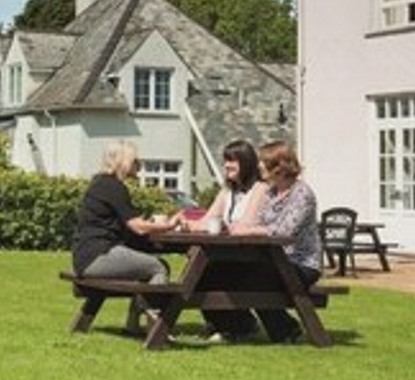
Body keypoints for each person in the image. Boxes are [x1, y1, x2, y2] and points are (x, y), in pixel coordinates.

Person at [179, 139, 268, 342]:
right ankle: (233, 324)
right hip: (227, 252)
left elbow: (247, 223)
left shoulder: (260, 189)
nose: (227, 165)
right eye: (225, 161)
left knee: (204, 273)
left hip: (253, 255)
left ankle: (237, 326)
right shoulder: (227, 190)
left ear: (246, 163)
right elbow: (206, 220)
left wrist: (223, 227)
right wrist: (184, 223)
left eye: (232, 161)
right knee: (197, 272)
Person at [241, 140, 321, 344]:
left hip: (302, 264)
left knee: (252, 279)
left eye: (263, 162)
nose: (259, 166)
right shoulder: (271, 192)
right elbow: (258, 222)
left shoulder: (302, 194)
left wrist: (250, 231)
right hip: (275, 260)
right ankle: (238, 327)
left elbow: (285, 232)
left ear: (279, 167)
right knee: (230, 271)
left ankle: (286, 330)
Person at [71, 140, 180, 287]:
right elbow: (138, 227)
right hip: (99, 255)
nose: (139, 165)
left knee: (149, 266)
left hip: (85, 256)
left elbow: (126, 222)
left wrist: (151, 223)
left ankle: (144, 308)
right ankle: (151, 309)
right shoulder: (113, 186)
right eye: (135, 160)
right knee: (158, 267)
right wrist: (169, 226)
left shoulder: (101, 183)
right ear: (124, 161)